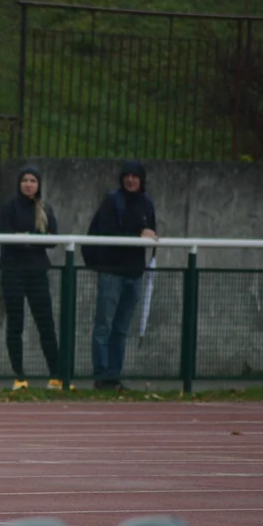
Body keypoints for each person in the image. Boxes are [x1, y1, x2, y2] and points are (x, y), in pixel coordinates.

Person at [84, 160, 158, 390]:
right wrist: (138, 233)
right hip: (111, 272)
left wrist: (149, 234)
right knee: (104, 324)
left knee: (121, 327)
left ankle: (114, 374)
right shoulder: (112, 201)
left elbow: (151, 233)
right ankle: (102, 375)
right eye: (127, 175)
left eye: (135, 176)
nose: (131, 180)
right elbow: (107, 230)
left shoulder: (147, 203)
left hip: (134, 273)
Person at [0, 166, 62, 390]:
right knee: (15, 324)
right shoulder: (8, 207)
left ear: (39, 184)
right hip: (13, 272)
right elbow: (6, 238)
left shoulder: (45, 208)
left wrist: (25, 238)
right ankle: (20, 376)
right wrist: (34, 239)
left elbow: (52, 240)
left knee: (46, 323)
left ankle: (56, 376)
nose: (28, 184)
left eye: (33, 180)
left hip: (37, 273)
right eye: (24, 179)